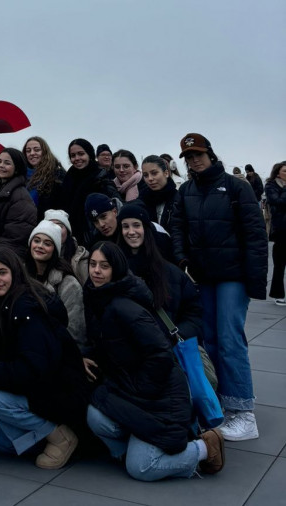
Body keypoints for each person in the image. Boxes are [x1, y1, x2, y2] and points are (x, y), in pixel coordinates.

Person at [83, 242, 225, 481]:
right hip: (132, 391)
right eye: (93, 264)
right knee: (94, 414)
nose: (96, 271)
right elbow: (105, 343)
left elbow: (160, 354)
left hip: (159, 398)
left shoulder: (125, 306)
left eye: (104, 266)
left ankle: (204, 448)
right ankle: (133, 452)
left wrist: (142, 389)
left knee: (140, 468)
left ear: (115, 270)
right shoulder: (98, 297)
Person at [170, 133, 267, 441]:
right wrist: (182, 258)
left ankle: (244, 413)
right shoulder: (186, 190)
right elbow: (177, 226)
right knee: (209, 341)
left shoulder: (237, 187)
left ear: (210, 153)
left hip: (233, 277)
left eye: (198, 154)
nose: (194, 160)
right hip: (203, 277)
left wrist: (255, 281)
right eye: (188, 157)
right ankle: (222, 404)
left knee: (229, 339)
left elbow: (255, 235)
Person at [0, 247, 89, 469]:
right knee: (4, 446)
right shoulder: (10, 302)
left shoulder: (26, 308)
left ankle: (61, 436)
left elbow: (32, 369)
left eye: (2, 272)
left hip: (59, 393)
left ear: (15, 273)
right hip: (44, 388)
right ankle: (41, 438)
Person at [117, 204, 203, 342]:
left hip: (168, 350)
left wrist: (177, 336)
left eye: (136, 225)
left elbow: (193, 313)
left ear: (146, 228)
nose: (131, 231)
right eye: (125, 226)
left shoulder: (171, 273)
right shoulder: (115, 271)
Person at [26, 221, 86, 350]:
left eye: (47, 243)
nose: (40, 246)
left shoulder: (69, 284)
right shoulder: (21, 276)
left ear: (55, 249)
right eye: (36, 241)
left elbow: (74, 331)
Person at [60, 139, 120, 244]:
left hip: (98, 238)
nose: (77, 158)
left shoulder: (100, 178)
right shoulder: (68, 178)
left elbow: (117, 206)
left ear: (89, 154)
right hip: (73, 238)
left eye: (81, 154)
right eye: (73, 155)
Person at [23, 136, 67, 219]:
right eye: (28, 151)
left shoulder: (57, 174)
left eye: (37, 150)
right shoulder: (20, 175)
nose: (32, 153)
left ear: (44, 151)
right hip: (23, 224)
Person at [44, 209, 89, 285]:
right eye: (50, 225)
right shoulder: (38, 254)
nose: (55, 229)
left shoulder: (81, 257)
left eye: (60, 226)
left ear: (67, 231)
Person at [137, 155, 178, 232]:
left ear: (166, 173)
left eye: (154, 173)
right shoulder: (141, 200)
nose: (150, 179)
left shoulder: (179, 199)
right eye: (145, 175)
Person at [265, 161, 286, 304]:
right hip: (282, 230)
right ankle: (278, 294)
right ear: (278, 172)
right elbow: (277, 202)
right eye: (285, 171)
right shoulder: (271, 185)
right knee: (280, 264)